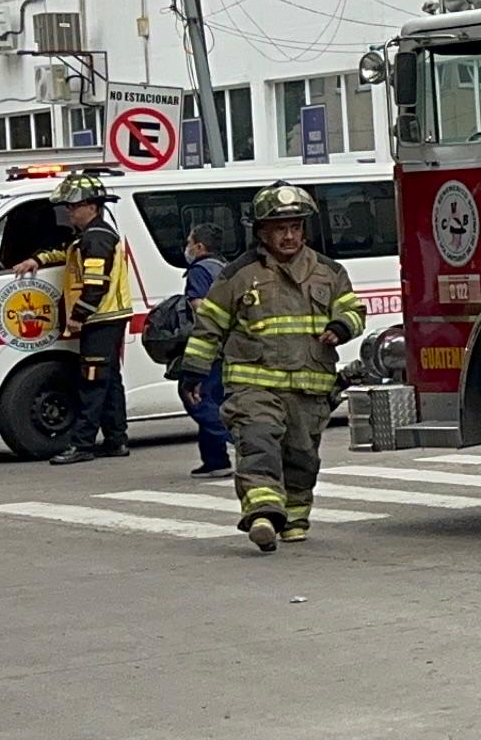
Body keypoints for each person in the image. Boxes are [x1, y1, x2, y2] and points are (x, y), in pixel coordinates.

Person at [177, 184, 364, 552]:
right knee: (257, 442)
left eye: (295, 226)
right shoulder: (238, 276)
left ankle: (294, 519)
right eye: (280, 228)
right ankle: (262, 514)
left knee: (302, 458)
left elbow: (354, 310)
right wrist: (194, 370)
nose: (290, 235)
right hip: (253, 385)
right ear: (261, 231)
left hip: (310, 389)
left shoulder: (329, 272)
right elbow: (210, 325)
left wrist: (342, 326)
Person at [29, 170, 134, 464]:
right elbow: (65, 254)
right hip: (107, 318)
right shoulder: (89, 237)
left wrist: (77, 317)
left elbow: (95, 285)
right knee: (109, 380)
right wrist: (37, 260)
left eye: (74, 206)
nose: (69, 212)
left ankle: (82, 444)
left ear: (93, 206)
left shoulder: (97, 239)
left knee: (92, 382)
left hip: (101, 318)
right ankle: (116, 440)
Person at [176, 224, 232, 478]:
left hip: (209, 345)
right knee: (214, 397)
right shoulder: (224, 267)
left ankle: (238, 439)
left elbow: (201, 310)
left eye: (189, 242)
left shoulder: (199, 271)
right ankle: (215, 459)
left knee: (196, 397)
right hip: (228, 344)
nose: (186, 247)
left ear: (199, 247)